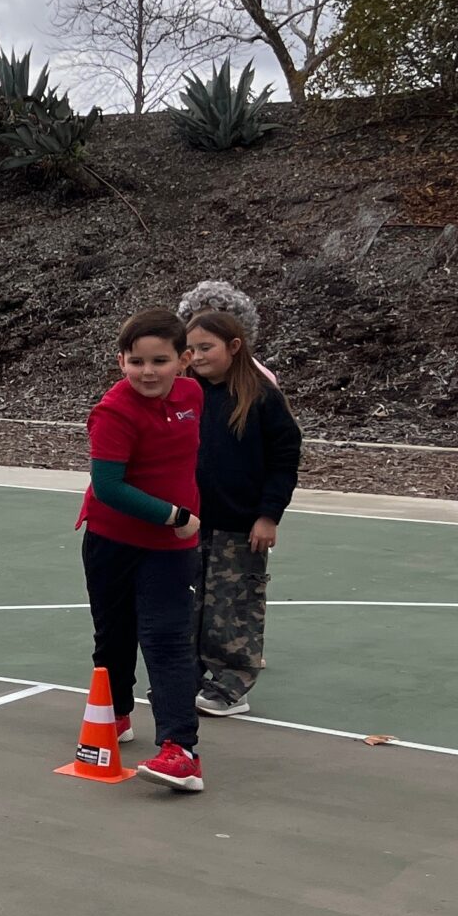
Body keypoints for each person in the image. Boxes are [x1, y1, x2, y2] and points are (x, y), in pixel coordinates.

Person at [78, 308, 206, 792]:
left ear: (184, 360)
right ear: (121, 362)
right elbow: (108, 487)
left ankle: (181, 750)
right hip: (112, 540)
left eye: (159, 361)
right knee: (113, 634)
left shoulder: (193, 395)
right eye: (136, 362)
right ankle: (116, 713)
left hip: (170, 547)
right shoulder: (113, 412)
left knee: (167, 639)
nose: (147, 372)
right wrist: (175, 514)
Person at [184, 307, 303, 718]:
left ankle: (232, 686)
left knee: (234, 609)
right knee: (190, 604)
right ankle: (187, 677)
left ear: (234, 346)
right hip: (191, 522)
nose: (197, 357)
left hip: (241, 527)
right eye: (191, 349)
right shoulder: (187, 394)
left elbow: (285, 460)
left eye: (206, 347)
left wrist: (268, 515)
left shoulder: (262, 397)